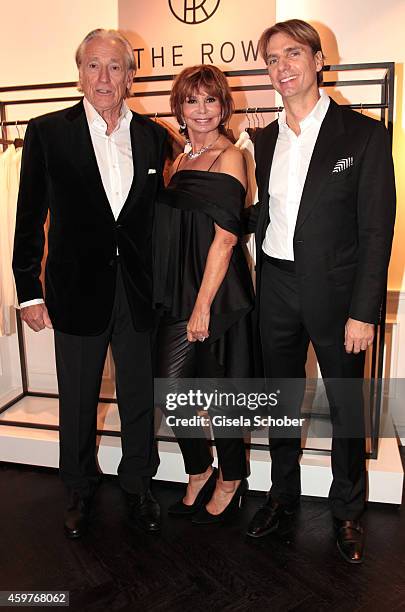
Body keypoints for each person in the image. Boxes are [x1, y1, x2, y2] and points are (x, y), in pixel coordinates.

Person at [245, 19, 396, 563]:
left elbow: (378, 231)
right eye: (271, 59)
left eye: (292, 55)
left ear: (317, 61)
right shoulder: (263, 139)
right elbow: (262, 212)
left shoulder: (363, 135)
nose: (281, 67)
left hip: (338, 296)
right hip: (277, 286)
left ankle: (348, 510)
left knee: (346, 407)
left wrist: (362, 312)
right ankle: (282, 497)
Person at [12, 29, 167, 538]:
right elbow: (29, 216)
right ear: (80, 72)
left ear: (130, 74)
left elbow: (157, 219)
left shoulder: (152, 135)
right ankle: (78, 487)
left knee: (138, 393)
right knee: (77, 396)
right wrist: (28, 289)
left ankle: (138, 483)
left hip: (138, 291)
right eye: (94, 66)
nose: (104, 77)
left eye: (115, 67)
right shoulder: (46, 132)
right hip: (75, 289)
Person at [154, 65, 254, 524]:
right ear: (179, 107)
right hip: (179, 293)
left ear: (223, 106)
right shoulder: (177, 161)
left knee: (222, 394)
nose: (201, 109)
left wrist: (202, 306)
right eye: (192, 100)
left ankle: (231, 477)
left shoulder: (230, 156)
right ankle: (198, 469)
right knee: (172, 391)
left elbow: (226, 238)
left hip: (217, 295)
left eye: (210, 100)